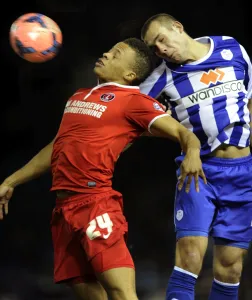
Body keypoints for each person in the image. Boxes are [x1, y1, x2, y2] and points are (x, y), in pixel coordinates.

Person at [0, 37, 205, 300]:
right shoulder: (77, 97)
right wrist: (12, 181)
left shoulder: (134, 101)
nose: (106, 55)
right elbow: (56, 148)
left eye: (116, 54)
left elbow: (182, 132)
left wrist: (193, 153)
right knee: (88, 294)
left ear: (130, 74)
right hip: (63, 211)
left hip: (95, 204)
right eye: (108, 50)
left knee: (122, 293)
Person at [139, 13, 252, 300]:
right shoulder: (159, 79)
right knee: (189, 256)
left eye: (161, 40)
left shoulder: (232, 49)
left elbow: (248, 101)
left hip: (243, 173)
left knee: (230, 268)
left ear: (178, 27)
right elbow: (134, 121)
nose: (160, 50)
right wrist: (163, 126)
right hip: (198, 171)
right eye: (154, 48)